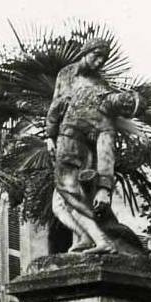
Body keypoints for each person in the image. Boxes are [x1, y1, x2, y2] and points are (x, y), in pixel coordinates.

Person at [45, 38, 143, 254]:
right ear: (86, 51)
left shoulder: (106, 111)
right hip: (62, 142)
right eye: (96, 56)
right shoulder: (67, 74)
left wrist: (104, 188)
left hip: (74, 149)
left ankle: (102, 240)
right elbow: (56, 105)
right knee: (59, 204)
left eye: (125, 107)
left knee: (69, 195)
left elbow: (106, 153)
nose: (99, 62)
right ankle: (85, 238)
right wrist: (49, 136)